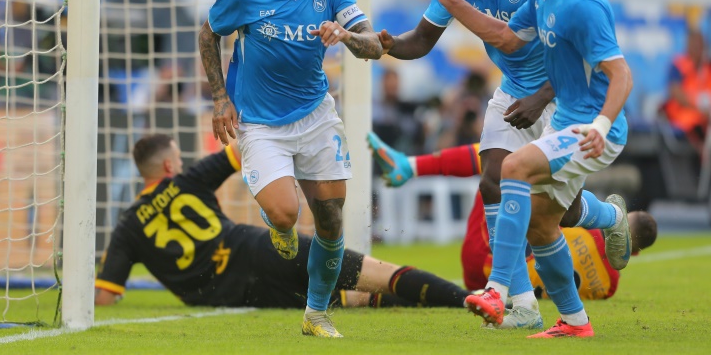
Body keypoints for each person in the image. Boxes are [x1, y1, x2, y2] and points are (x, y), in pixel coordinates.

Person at [373, 0, 629, 331]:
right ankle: (572, 319)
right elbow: (506, 39)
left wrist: (601, 125)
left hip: (589, 124)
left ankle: (498, 289)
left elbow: (620, 73)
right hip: (555, 109)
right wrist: (450, 1)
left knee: (513, 168)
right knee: (546, 223)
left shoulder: (582, 2)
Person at [198, 0, 382, 338]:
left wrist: (347, 36)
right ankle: (278, 226)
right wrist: (221, 96)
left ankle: (316, 313)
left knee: (331, 218)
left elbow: (373, 46)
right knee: (284, 214)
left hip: (317, 116)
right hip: (261, 124)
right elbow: (209, 33)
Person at [95, 134, 473, 312]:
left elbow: (106, 295)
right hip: (259, 251)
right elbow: (243, 148)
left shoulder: (128, 226)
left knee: (353, 300)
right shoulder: (188, 181)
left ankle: (452, 302)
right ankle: (470, 301)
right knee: (376, 275)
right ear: (167, 167)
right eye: (176, 160)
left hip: (233, 296)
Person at [365, 133, 658, 298]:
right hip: (485, 281)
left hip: (491, 258)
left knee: (502, 158)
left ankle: (410, 166)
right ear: (634, 254)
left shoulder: (589, 227)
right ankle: (571, 319)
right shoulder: (609, 287)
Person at [662, 29, 711, 155]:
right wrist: (698, 106)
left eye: (700, 44)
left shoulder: (707, 67)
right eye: (694, 43)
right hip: (684, 113)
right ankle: (701, 154)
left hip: (705, 115)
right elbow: (675, 92)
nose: (697, 47)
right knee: (694, 125)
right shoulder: (679, 65)